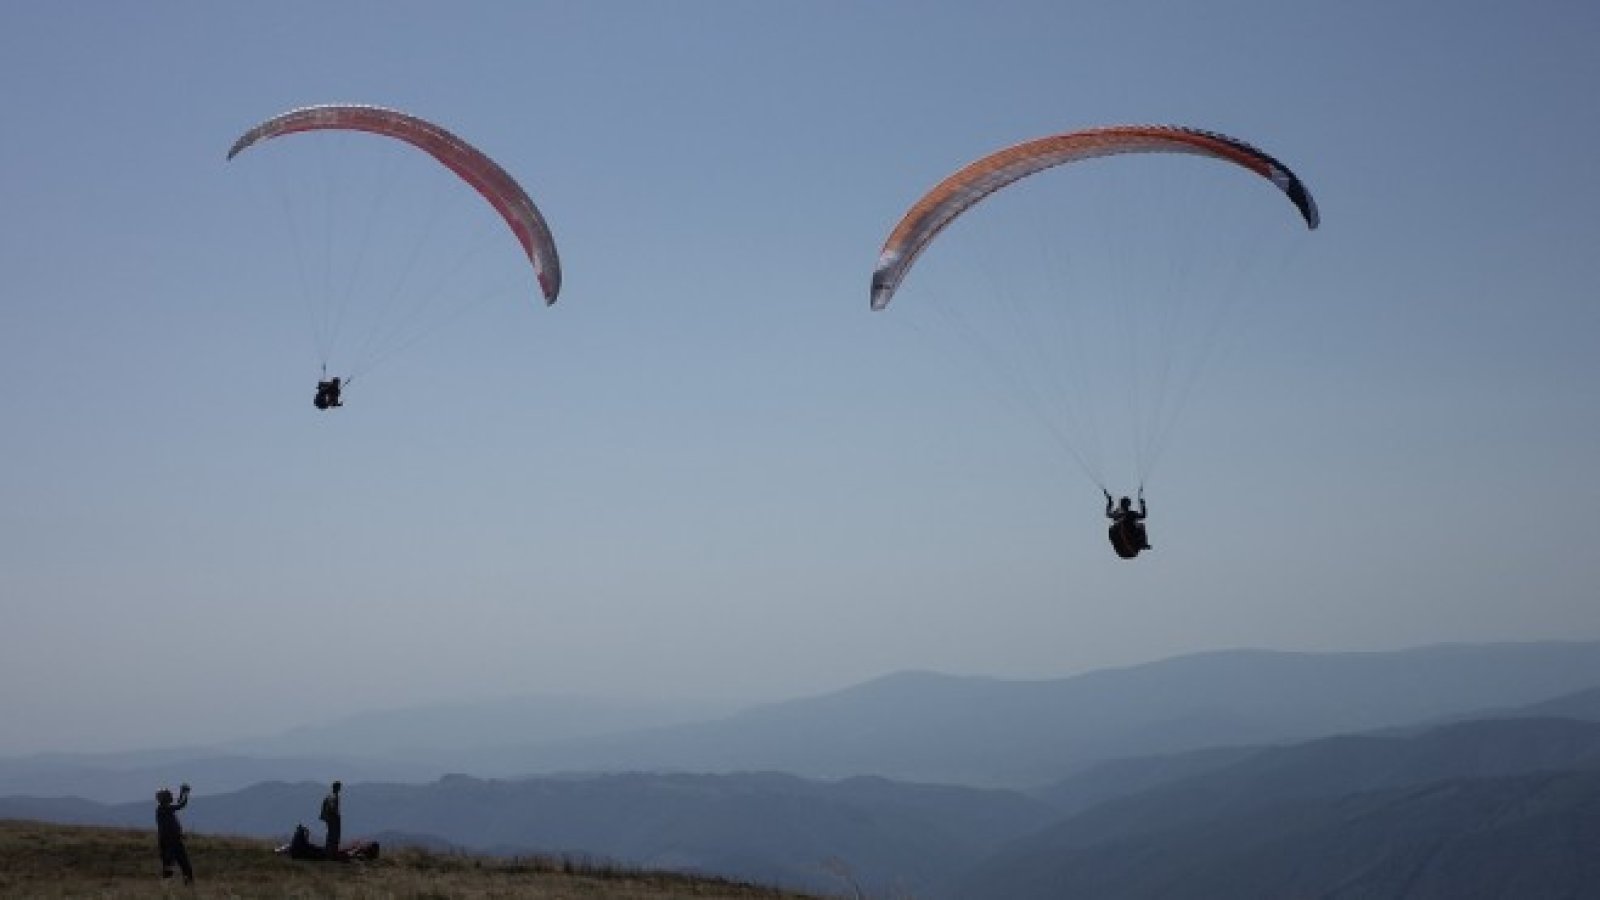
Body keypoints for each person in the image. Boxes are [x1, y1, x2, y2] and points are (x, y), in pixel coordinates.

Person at [155, 783, 193, 884]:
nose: (171, 797)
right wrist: (185, 794)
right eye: (169, 796)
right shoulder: (164, 809)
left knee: (178, 865)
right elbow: (181, 805)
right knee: (172, 866)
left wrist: (182, 793)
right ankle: (170, 886)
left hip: (171, 841)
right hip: (171, 843)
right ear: (165, 798)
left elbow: (178, 804)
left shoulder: (163, 809)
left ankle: (174, 886)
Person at [320, 780, 342, 857]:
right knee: (334, 835)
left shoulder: (329, 796)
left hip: (329, 818)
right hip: (333, 818)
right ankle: (332, 852)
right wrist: (336, 814)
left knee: (330, 834)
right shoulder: (334, 796)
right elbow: (333, 807)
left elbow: (324, 806)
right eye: (339, 787)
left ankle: (329, 851)